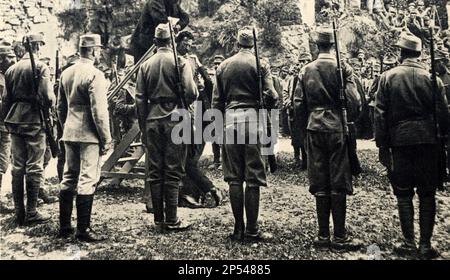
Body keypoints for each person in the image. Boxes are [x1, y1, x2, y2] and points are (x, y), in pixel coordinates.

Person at [375, 33, 449, 259]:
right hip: (428, 142)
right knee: (427, 193)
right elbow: (444, 113)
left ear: (401, 53)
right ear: (419, 54)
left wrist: (382, 145)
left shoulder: (388, 77)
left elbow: (380, 115)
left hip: (400, 141)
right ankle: (425, 244)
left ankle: (408, 241)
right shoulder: (432, 79)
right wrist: (443, 140)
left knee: (403, 193)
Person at [294, 28, 362, 251]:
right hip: (336, 127)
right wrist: (347, 118)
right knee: (339, 179)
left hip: (314, 126)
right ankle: (340, 236)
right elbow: (355, 101)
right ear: (334, 46)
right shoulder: (344, 68)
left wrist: (306, 125)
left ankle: (323, 235)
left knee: (319, 179)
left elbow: (297, 104)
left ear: (317, 45)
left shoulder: (306, 70)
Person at [212, 28, 278, 242]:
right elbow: (272, 95)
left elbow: (216, 102)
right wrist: (267, 102)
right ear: (253, 43)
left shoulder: (223, 66)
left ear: (237, 43)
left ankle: (237, 229)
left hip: (230, 120)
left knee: (234, 178)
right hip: (253, 120)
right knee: (253, 177)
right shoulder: (261, 64)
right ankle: (252, 230)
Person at [135, 23, 198, 231]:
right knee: (173, 170)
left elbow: (140, 99)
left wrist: (144, 125)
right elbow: (192, 93)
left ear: (155, 41)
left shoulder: (145, 65)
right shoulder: (180, 62)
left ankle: (158, 218)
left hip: (152, 119)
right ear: (172, 40)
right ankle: (172, 219)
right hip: (176, 118)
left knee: (154, 170)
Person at [57, 34, 111, 242]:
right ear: (94, 51)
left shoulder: (67, 73)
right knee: (87, 179)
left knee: (69, 176)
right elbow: (99, 112)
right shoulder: (95, 74)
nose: (100, 53)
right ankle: (83, 229)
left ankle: (64, 226)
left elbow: (60, 107)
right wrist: (106, 138)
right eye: (99, 50)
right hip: (89, 134)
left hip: (69, 131)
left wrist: (65, 128)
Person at [2, 34, 55, 226]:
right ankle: (31, 212)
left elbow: (6, 100)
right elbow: (48, 98)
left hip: (15, 119)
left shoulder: (11, 70)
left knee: (18, 166)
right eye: (40, 45)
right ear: (37, 46)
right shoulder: (41, 67)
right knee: (34, 164)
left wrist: (6, 119)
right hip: (34, 119)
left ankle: (19, 213)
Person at [175, 30, 222, 208]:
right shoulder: (176, 59)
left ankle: (203, 190)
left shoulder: (193, 60)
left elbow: (209, 83)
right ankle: (191, 193)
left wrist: (202, 79)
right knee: (186, 157)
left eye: (189, 43)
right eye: (184, 43)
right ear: (178, 43)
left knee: (190, 158)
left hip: (195, 113)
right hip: (184, 112)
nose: (187, 46)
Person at [0, 44, 16, 214]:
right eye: (9, 57)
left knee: (3, 163)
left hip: (5, 126)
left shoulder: (8, 76)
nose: (13, 60)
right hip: (1, 126)